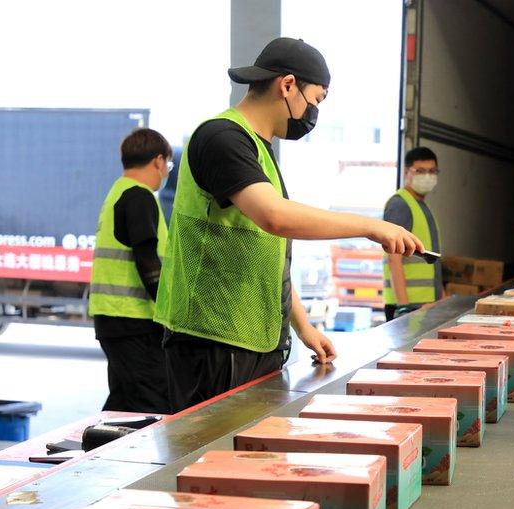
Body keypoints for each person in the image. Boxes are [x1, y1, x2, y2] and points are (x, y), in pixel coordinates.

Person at [154, 37, 424, 412]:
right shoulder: (221, 138)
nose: (314, 112)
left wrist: (303, 326)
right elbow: (275, 217)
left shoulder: (257, 150)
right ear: (287, 85)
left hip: (252, 338)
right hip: (213, 338)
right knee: (215, 459)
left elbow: (265, 251)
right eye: (316, 99)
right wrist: (369, 226)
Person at [89, 128, 173, 414]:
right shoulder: (139, 196)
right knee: (151, 401)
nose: (166, 173)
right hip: (133, 318)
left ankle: (89, 454)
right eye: (168, 166)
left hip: (114, 317)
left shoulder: (118, 192)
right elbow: (147, 261)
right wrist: (168, 310)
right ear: (158, 161)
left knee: (125, 400)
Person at [383, 147, 444, 320]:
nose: (427, 176)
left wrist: (442, 298)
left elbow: (432, 263)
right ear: (406, 172)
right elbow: (393, 258)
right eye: (420, 171)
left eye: (432, 171)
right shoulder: (400, 205)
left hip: (425, 304)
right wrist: (403, 306)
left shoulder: (421, 206)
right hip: (408, 307)